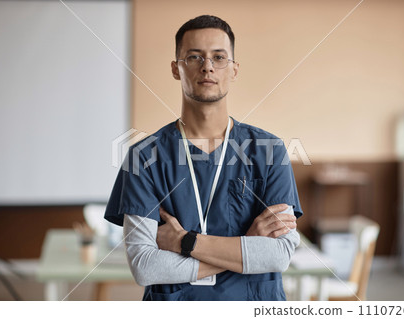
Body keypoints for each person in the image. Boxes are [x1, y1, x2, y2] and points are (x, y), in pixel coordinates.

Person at [104, 15, 303, 301]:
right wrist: (246, 247)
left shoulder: (270, 150)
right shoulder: (143, 157)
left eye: (219, 57)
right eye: (194, 57)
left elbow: (279, 255)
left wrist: (187, 242)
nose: (207, 66)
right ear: (176, 69)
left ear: (234, 69)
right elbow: (145, 266)